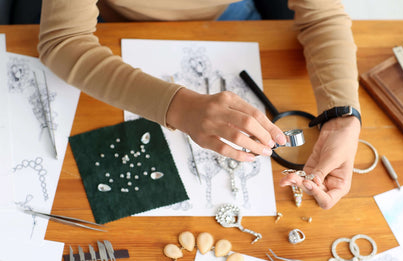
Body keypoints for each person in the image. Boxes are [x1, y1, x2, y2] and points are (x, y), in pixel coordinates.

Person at [37, 0, 361, 210]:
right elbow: (63, 40)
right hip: (118, 21)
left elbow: (323, 16)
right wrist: (178, 107)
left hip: (230, 15)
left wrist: (343, 115)